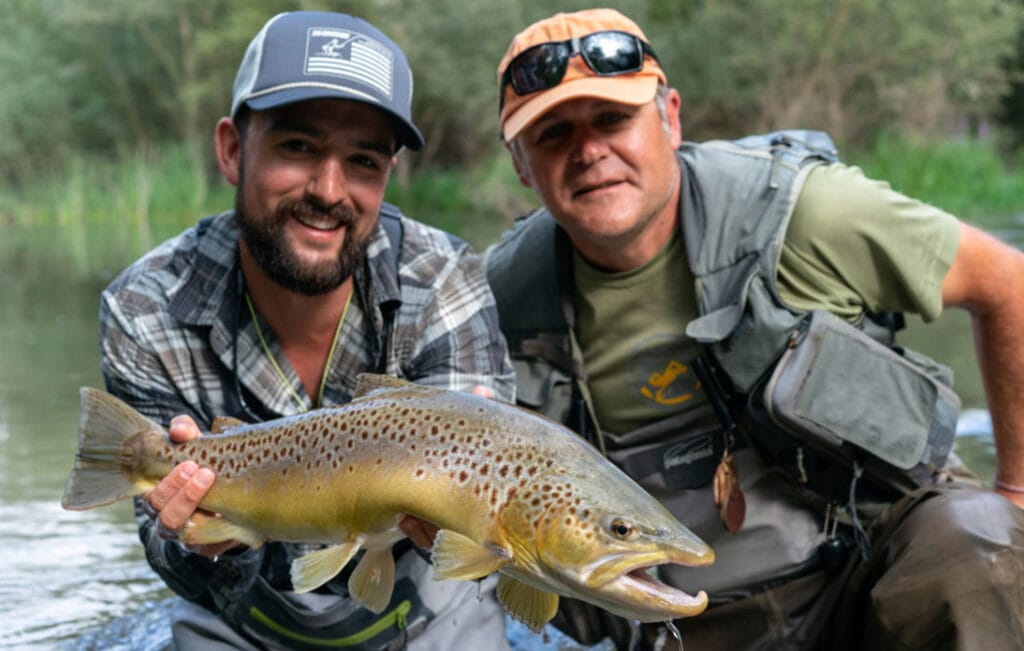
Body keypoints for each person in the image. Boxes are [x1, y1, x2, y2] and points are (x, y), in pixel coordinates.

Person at [485, 8, 1024, 650]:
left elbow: (1005, 283)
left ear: (670, 117)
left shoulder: (808, 211)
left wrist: (1016, 488)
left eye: (612, 119)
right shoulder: (497, 297)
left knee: (978, 538)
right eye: (552, 135)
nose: (590, 152)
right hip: (675, 619)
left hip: (862, 571)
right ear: (520, 164)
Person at [99, 11, 515, 650]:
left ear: (388, 176)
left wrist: (472, 510)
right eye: (298, 147)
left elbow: (481, 549)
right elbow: (179, 567)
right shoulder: (145, 306)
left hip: (425, 609)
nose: (328, 190)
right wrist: (199, 534)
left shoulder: (444, 279)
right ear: (233, 150)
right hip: (243, 617)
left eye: (363, 160)